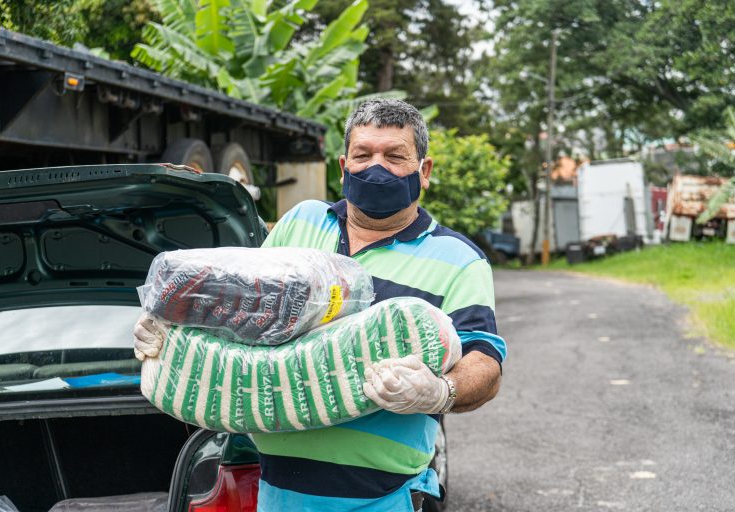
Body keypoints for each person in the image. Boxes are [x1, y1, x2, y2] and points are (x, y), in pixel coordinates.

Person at [134, 99, 506, 511]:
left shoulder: (457, 259)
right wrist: (173, 329)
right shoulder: (301, 222)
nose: (376, 167)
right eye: (363, 155)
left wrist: (441, 391)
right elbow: (244, 313)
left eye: (395, 156)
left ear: (425, 170)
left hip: (383, 499)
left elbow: (485, 366)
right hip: (276, 494)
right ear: (344, 166)